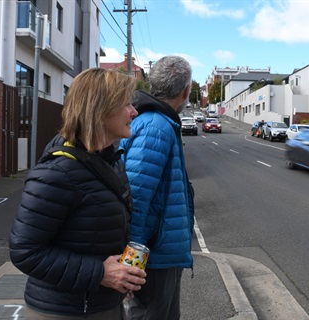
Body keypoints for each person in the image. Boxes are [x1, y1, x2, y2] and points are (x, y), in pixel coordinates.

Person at [9, 68, 146, 320]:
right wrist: (100, 273)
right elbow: (25, 251)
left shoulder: (109, 161)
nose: (134, 112)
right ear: (100, 109)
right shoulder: (57, 173)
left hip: (101, 304)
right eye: (126, 104)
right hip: (64, 312)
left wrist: (120, 275)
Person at [119, 56, 195, 320]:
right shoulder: (156, 126)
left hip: (159, 252)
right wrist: (131, 266)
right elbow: (136, 199)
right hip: (155, 257)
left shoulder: (157, 122)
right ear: (186, 90)